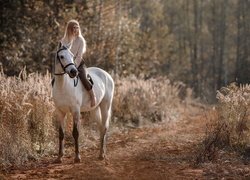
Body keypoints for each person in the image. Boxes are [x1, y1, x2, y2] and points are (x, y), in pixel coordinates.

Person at [61, 19, 96, 107]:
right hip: (66, 64)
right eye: (74, 28)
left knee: (84, 77)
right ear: (69, 29)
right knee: (57, 77)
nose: (76, 29)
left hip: (78, 64)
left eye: (77, 28)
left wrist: (74, 66)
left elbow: (79, 55)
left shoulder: (80, 40)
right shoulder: (64, 40)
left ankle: (92, 95)